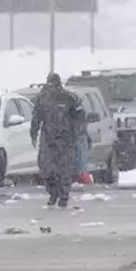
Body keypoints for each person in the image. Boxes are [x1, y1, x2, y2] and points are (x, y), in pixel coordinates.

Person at [30, 72, 85, 207]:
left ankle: (64, 196)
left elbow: (79, 116)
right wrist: (33, 132)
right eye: (51, 85)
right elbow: (36, 118)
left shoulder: (69, 98)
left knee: (64, 170)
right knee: (46, 169)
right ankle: (53, 193)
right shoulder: (42, 99)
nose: (53, 88)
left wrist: (77, 132)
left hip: (65, 140)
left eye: (55, 85)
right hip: (48, 139)